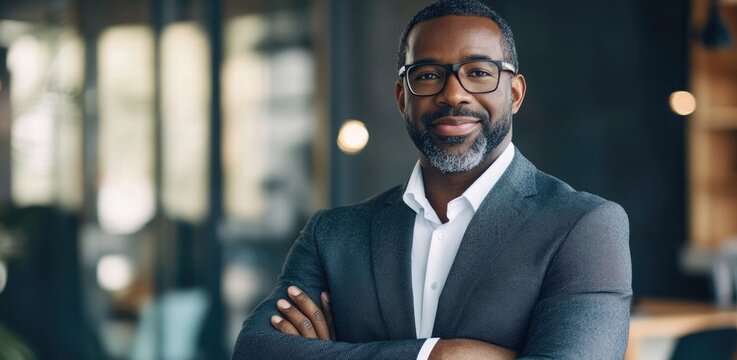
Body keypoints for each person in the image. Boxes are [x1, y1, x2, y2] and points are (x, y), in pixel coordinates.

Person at [233, 0, 632, 359]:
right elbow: (256, 351)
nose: (453, 94)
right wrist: (437, 356)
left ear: (514, 93)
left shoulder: (584, 227)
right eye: (427, 75)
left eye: (478, 72)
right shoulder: (334, 235)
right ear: (403, 97)